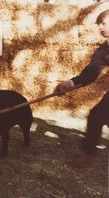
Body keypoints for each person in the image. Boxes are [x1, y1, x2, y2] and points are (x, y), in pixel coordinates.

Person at [54, 9, 109, 168]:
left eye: (103, 23)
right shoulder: (103, 50)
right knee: (96, 116)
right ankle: (86, 153)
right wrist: (70, 83)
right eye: (98, 25)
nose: (100, 28)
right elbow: (91, 72)